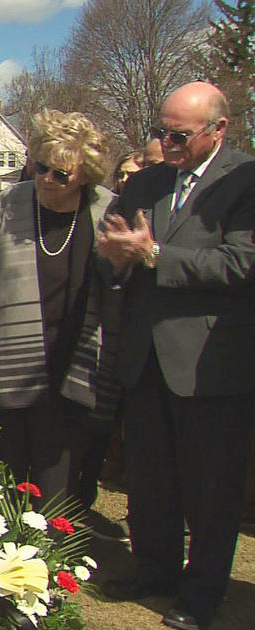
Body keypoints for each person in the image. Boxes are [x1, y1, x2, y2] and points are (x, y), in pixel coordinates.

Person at [98, 81, 255, 630]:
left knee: (211, 487)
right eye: (161, 132)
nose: (166, 143)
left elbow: (241, 264)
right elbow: (115, 246)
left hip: (211, 364)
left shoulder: (245, 182)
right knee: (150, 480)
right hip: (146, 358)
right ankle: (155, 568)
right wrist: (117, 259)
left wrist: (156, 256)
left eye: (179, 135)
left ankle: (202, 589)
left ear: (219, 129)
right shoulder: (146, 182)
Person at [0, 110, 119, 509]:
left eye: (60, 174)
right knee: (1, 485)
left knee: (57, 491)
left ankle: (53, 567)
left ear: (85, 174)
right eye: (41, 167)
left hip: (72, 369)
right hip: (9, 367)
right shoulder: (7, 204)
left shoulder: (106, 212)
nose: (47, 179)